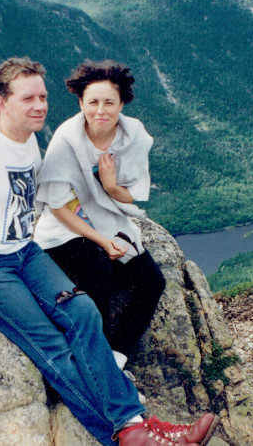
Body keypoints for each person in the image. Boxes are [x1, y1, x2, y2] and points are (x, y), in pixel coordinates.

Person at [0, 57, 216, 446]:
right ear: (0, 102)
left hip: (24, 252)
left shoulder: (28, 142)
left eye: (43, 96)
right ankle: (129, 433)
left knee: (85, 313)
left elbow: (53, 200)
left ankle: (135, 423)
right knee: (52, 346)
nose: (39, 105)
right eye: (27, 98)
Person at [34, 61, 165, 371]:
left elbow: (130, 194)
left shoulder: (131, 136)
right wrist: (103, 242)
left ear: (122, 103)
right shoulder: (67, 140)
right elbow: (57, 206)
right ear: (81, 103)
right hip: (64, 231)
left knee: (152, 282)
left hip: (107, 219)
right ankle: (94, 356)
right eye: (92, 102)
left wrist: (109, 185)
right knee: (97, 265)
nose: (100, 111)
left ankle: (116, 355)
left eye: (110, 102)